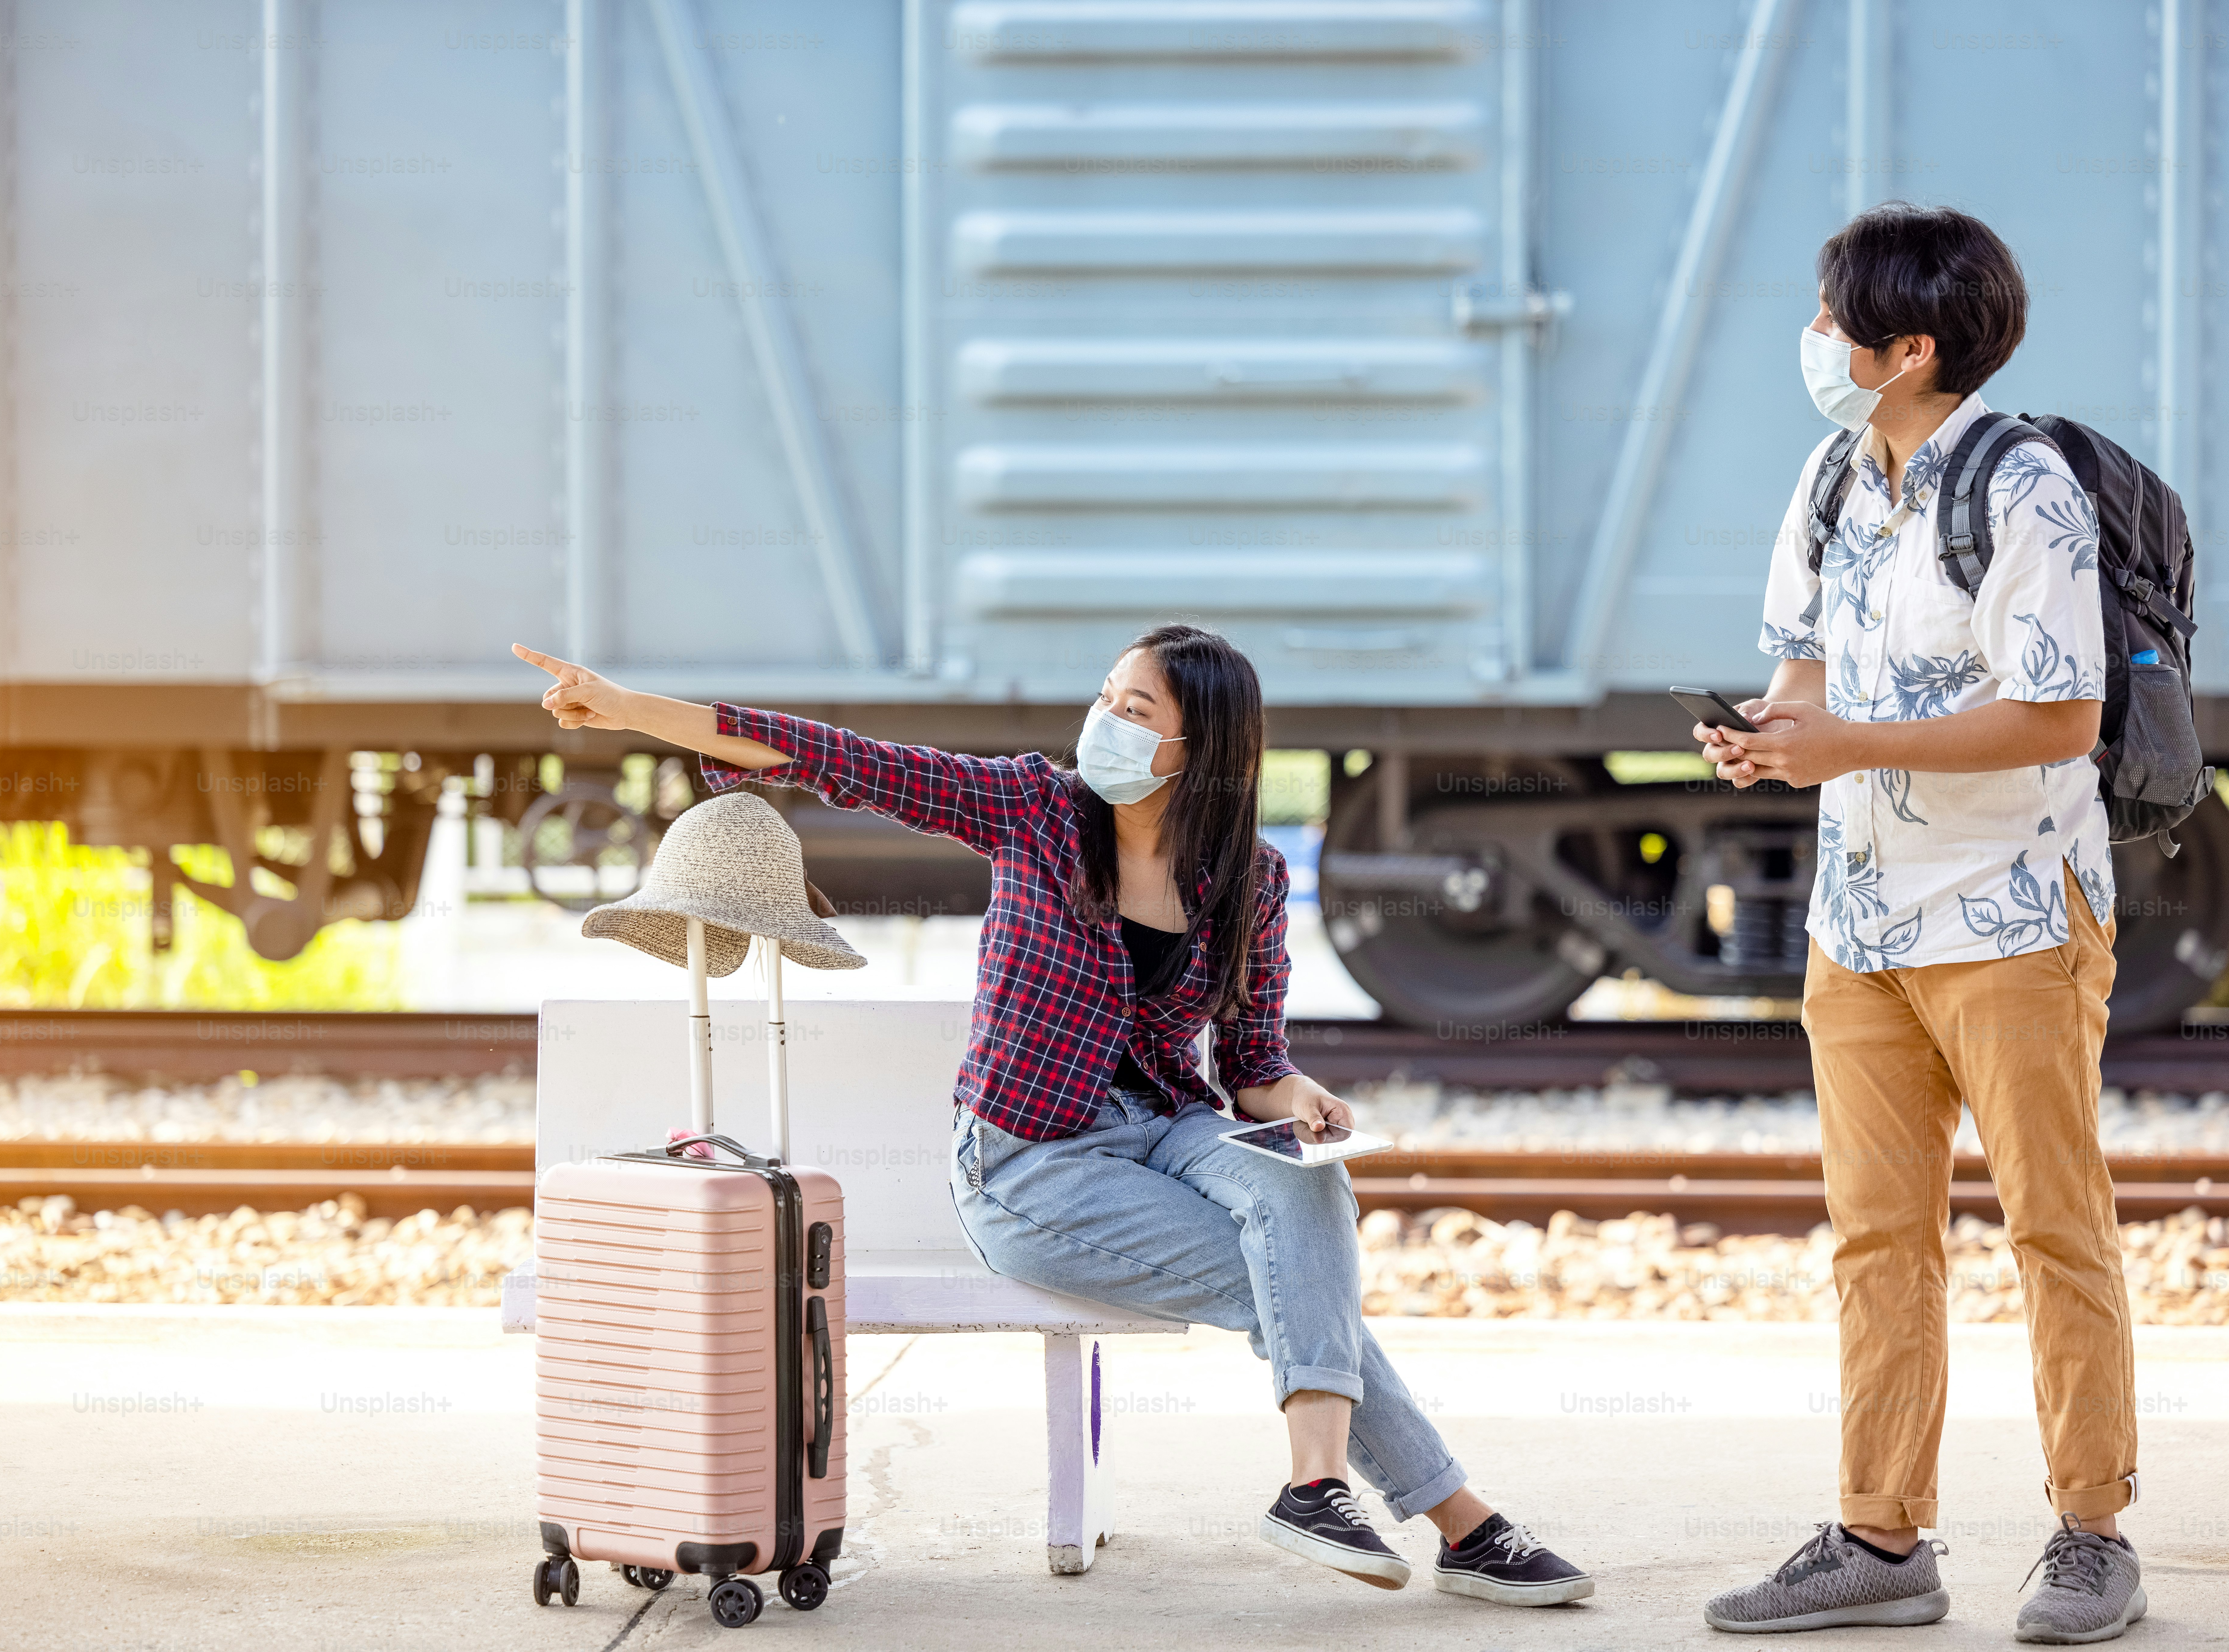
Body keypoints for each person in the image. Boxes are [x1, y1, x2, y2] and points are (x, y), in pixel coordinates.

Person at [513, 625, 1594, 1608]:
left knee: (1305, 1184)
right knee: (1298, 1279)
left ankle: (1320, 1488)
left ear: (1200, 751)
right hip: (1028, 1162)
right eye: (1108, 698)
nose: (1105, 723)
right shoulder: (1032, 810)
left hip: (1169, 1128)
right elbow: (840, 757)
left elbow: (1254, 1064)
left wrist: (1299, 1099)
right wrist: (629, 706)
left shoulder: (1250, 879)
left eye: (1137, 712)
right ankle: (1465, 1526)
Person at [1693, 203, 2145, 1645]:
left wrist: (1848, 746)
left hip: (2011, 911)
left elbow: (2058, 714)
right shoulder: (1833, 475)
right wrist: (1769, 741)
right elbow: (1810, 684)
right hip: (1861, 922)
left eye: (1833, 320)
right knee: (1875, 1237)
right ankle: (1879, 1534)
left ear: (1906, 351)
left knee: (2051, 1226)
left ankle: (2089, 1532)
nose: (1812, 339)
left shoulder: (2022, 491)